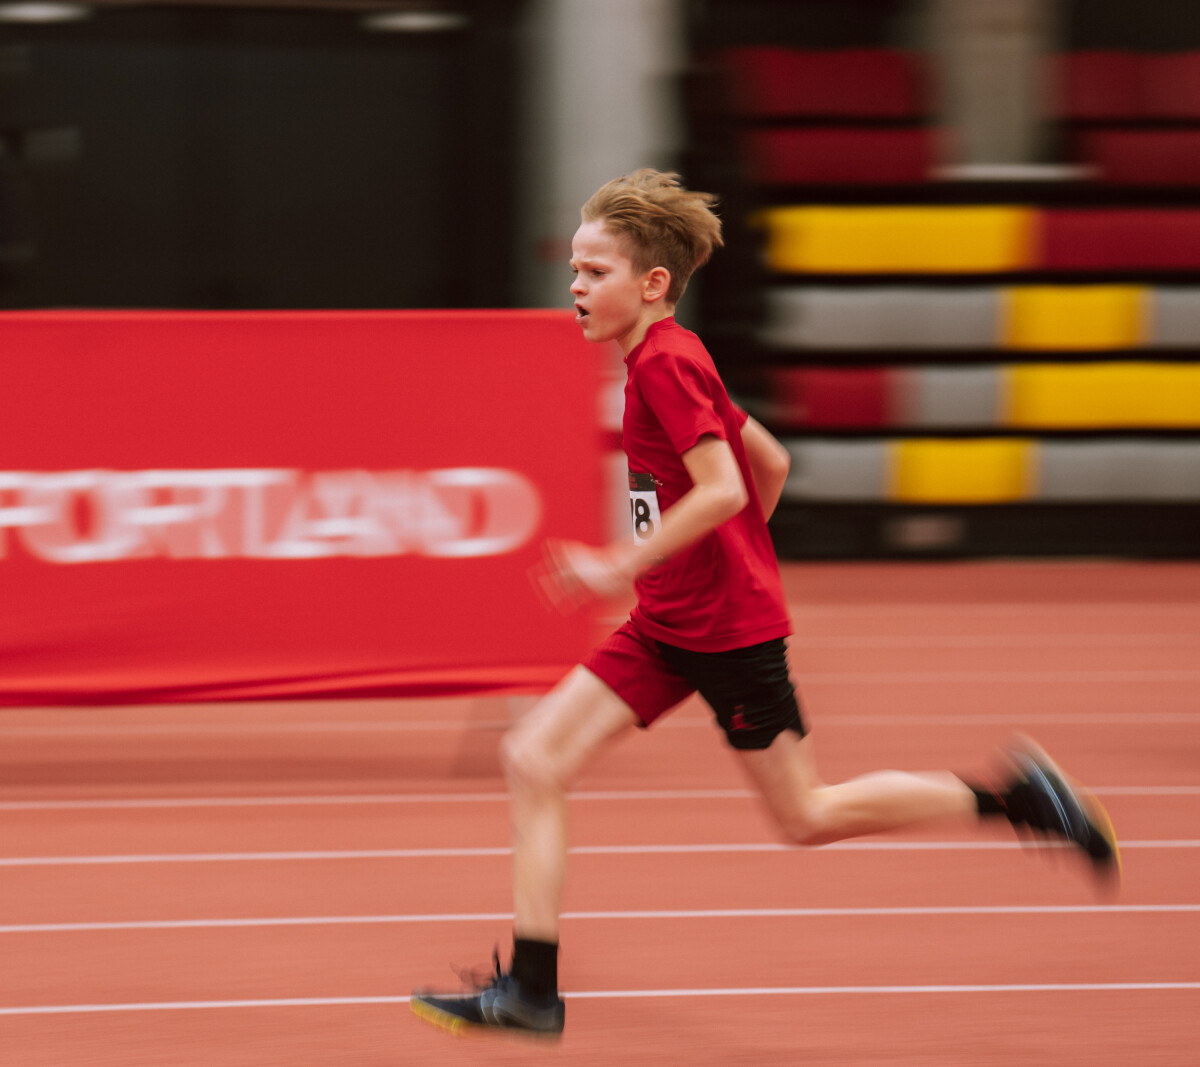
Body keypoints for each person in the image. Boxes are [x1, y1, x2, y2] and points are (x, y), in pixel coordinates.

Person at [408, 169, 1119, 1039]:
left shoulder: (666, 366)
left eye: (594, 272)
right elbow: (770, 460)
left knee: (807, 815)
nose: (576, 287)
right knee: (533, 757)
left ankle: (1020, 799)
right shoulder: (670, 355)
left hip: (728, 636)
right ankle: (531, 990)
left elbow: (723, 489)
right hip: (670, 621)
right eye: (574, 270)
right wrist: (723, 561)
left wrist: (622, 564)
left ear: (652, 283)